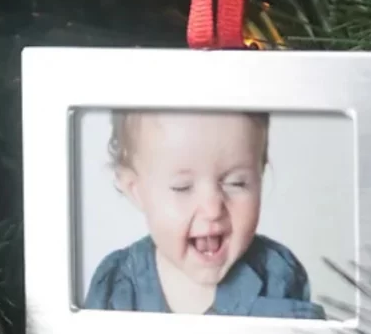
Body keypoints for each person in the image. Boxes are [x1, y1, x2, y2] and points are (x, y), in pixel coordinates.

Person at [84, 110, 325, 318]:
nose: (212, 209)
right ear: (135, 190)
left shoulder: (277, 276)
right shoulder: (117, 286)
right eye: (183, 187)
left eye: (237, 183)